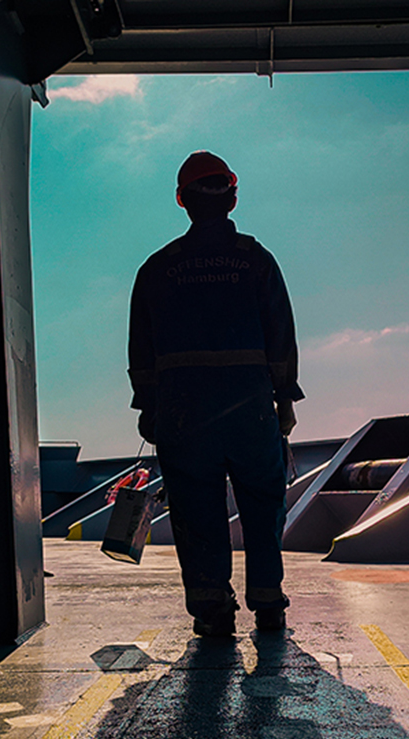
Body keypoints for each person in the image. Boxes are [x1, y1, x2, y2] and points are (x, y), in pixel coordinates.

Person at [127, 151, 304, 637]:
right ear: (233, 196)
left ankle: (212, 611)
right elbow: (280, 334)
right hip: (249, 406)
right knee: (263, 504)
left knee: (196, 509)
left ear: (182, 201)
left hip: (184, 412)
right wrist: (284, 400)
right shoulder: (255, 260)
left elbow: (141, 349)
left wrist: (149, 405)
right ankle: (268, 604)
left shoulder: (158, 269)